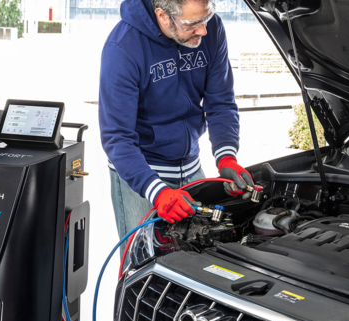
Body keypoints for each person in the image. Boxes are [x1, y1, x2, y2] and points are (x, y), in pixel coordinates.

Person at [99, 0, 254, 241]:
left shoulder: (211, 28)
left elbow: (221, 102)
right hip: (141, 174)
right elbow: (117, 137)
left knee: (203, 250)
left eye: (206, 18)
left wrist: (226, 156)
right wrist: (158, 192)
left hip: (192, 167)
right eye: (193, 23)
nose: (203, 30)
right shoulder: (122, 48)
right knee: (142, 259)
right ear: (163, 16)